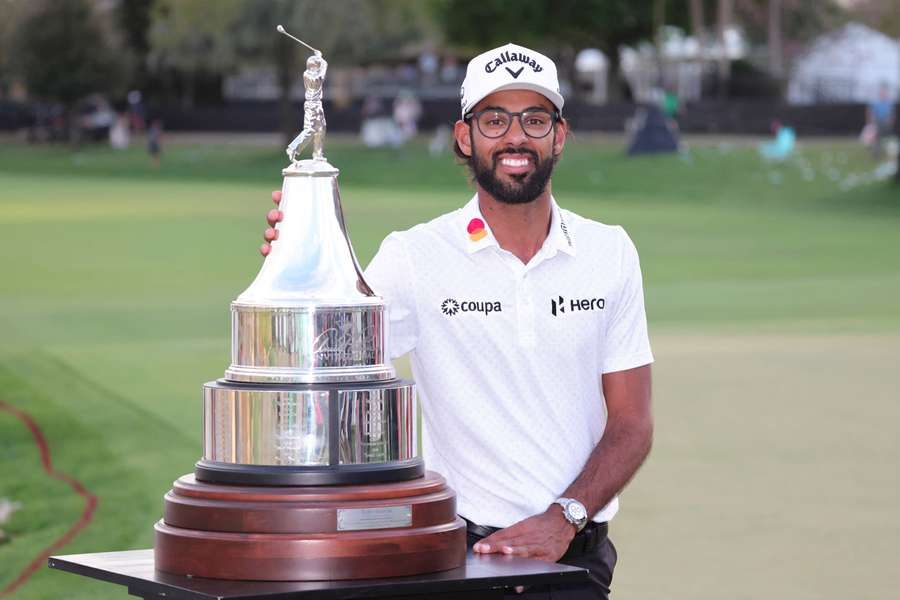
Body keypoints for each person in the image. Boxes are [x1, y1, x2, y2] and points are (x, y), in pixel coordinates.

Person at [262, 43, 654, 599]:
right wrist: (298, 262)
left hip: (573, 561)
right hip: (457, 561)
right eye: (494, 120)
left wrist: (564, 517)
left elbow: (632, 424)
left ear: (558, 136)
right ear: (465, 137)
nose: (515, 137)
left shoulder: (609, 252)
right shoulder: (415, 256)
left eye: (534, 120)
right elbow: (324, 355)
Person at [865, 82, 895, 159]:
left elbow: (891, 115)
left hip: (885, 123)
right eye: (881, 92)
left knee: (879, 137)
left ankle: (875, 149)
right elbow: (871, 113)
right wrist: (872, 122)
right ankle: (875, 151)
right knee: (877, 137)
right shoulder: (876, 103)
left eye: (884, 92)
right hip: (877, 123)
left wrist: (889, 121)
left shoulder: (889, 103)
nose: (883, 93)